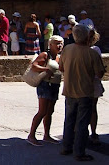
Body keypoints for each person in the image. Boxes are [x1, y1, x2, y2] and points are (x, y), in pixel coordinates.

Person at [59, 25, 105, 161]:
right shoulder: (92, 53)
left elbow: (61, 67)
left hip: (69, 89)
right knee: (82, 123)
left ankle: (66, 147)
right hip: (85, 92)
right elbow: (100, 73)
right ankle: (79, 152)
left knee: (69, 120)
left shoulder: (67, 49)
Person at [26, 35, 64, 146]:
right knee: (42, 111)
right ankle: (31, 135)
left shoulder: (59, 57)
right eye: (57, 43)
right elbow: (34, 66)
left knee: (49, 111)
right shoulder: (45, 55)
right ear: (50, 44)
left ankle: (46, 135)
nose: (59, 45)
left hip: (55, 85)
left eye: (61, 43)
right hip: (45, 85)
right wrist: (46, 69)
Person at [87, 29, 105, 145]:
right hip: (92, 82)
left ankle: (91, 132)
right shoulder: (95, 50)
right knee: (92, 108)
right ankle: (92, 132)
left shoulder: (73, 48)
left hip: (87, 82)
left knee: (89, 108)